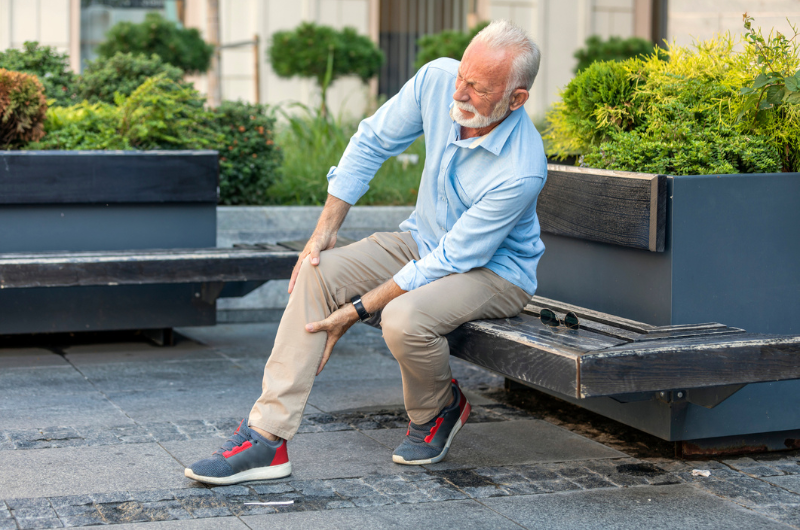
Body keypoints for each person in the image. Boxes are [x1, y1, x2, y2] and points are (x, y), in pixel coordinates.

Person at [185, 20, 547, 485]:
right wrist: (323, 232)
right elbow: (372, 141)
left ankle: (439, 409)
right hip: (423, 240)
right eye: (463, 75)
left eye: (478, 88)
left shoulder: (521, 168)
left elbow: (454, 260)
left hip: (494, 271)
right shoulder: (438, 80)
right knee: (317, 270)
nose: (459, 93)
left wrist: (357, 310)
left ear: (515, 99)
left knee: (403, 318)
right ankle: (266, 439)